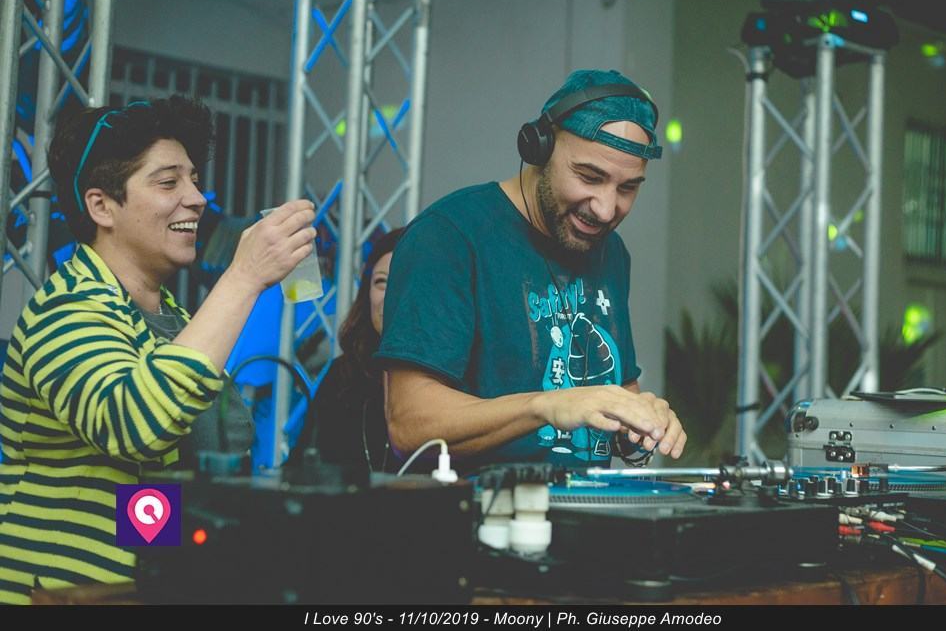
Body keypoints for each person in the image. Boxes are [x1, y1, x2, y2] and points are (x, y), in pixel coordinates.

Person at [0, 97, 316, 604]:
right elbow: (136, 426)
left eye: (194, 180)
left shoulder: (171, 319)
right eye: (169, 183)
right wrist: (243, 276)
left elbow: (163, 480)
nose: (197, 198)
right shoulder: (65, 311)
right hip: (60, 599)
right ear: (102, 206)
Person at [377, 69, 687, 471]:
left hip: (585, 508)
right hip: (476, 508)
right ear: (540, 148)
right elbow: (409, 423)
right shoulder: (449, 236)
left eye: (627, 188)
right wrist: (545, 406)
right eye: (589, 177)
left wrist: (641, 424)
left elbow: (615, 392)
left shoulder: (610, 252)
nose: (606, 209)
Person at [290, 227, 405, 474]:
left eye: (405, 282)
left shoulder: (454, 378)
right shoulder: (343, 375)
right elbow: (303, 467)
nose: (390, 297)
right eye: (382, 282)